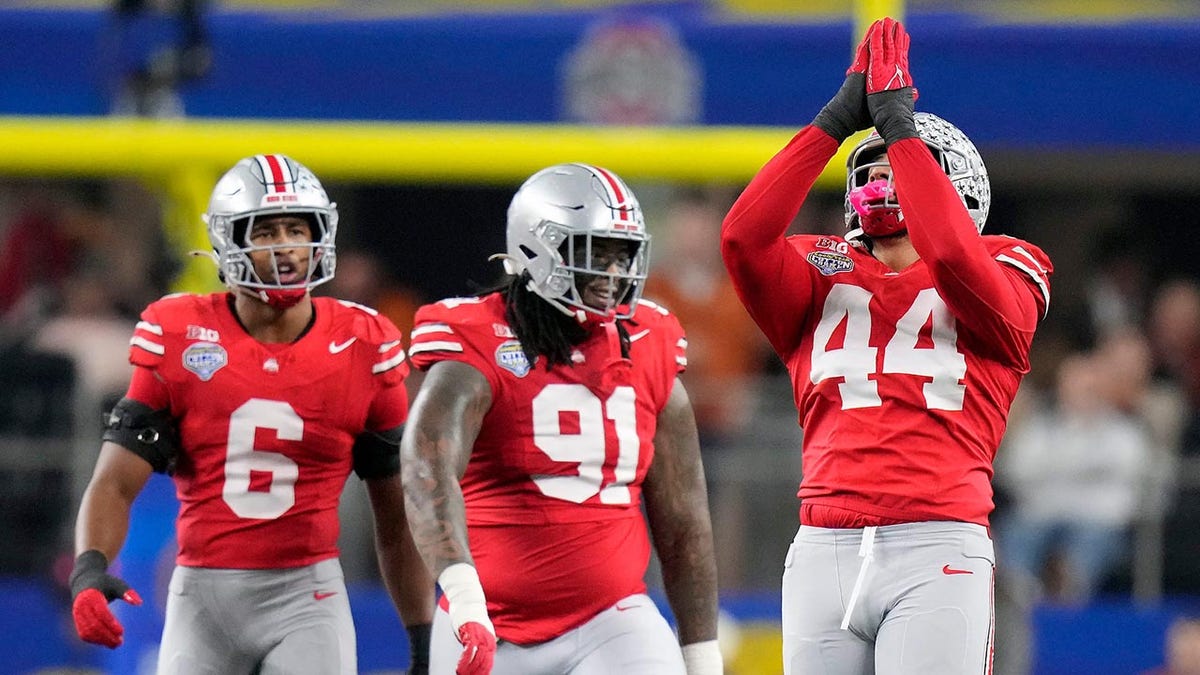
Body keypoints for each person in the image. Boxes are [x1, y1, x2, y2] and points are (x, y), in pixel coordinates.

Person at [720, 18, 1053, 674]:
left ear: (954, 186)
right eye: (867, 170)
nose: (881, 179)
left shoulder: (1009, 261)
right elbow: (741, 239)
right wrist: (834, 122)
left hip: (939, 541)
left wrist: (902, 127)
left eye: (899, 167)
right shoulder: (819, 268)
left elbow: (955, 256)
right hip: (824, 542)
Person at [68, 154, 435, 674]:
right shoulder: (179, 333)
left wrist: (422, 637)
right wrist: (88, 570)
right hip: (202, 594)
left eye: (296, 228)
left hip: (307, 595)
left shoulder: (363, 342)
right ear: (229, 242)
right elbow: (115, 482)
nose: (285, 245)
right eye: (265, 232)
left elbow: (397, 514)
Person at [401, 162, 722, 675]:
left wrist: (703, 660)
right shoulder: (479, 340)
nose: (613, 274)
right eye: (596, 253)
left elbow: (683, 523)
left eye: (623, 256)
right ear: (535, 248)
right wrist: (464, 600)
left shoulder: (648, 343)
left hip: (613, 622)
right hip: (487, 622)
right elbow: (426, 471)